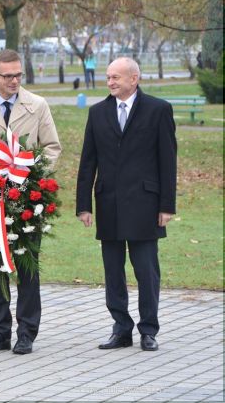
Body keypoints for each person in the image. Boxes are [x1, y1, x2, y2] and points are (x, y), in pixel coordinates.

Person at [0, 49, 62, 355]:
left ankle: (27, 332)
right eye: (7, 76)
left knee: (27, 266)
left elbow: (51, 147)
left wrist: (32, 176)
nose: (14, 81)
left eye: (18, 75)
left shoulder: (37, 105)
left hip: (27, 198)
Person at [76, 57, 177, 352]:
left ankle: (149, 330)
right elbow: (88, 162)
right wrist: (83, 205)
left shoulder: (158, 110)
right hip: (108, 203)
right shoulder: (97, 112)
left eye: (116, 77)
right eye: (108, 77)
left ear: (134, 79)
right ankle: (121, 328)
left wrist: (167, 205)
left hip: (146, 204)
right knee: (113, 271)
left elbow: (168, 161)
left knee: (146, 271)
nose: (110, 82)